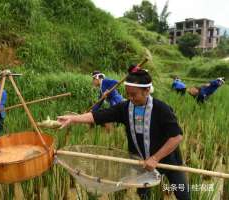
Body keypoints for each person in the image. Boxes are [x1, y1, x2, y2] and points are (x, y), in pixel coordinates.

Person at [58, 66, 190, 200]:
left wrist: (155, 158)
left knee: (182, 193)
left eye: (134, 94)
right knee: (144, 194)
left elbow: (177, 136)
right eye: (128, 94)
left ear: (147, 91)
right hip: (142, 161)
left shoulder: (161, 109)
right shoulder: (125, 108)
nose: (130, 98)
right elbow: (98, 116)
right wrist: (72, 118)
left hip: (168, 160)